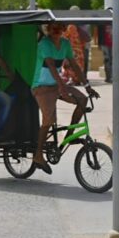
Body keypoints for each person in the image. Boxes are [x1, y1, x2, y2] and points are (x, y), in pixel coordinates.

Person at [30, 21, 87, 174]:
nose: (55, 30)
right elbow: (50, 66)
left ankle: (70, 135)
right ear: (48, 29)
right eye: (52, 28)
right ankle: (38, 155)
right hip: (41, 87)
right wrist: (62, 87)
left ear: (63, 29)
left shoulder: (65, 44)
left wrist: (87, 85)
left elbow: (74, 65)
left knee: (83, 100)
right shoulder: (44, 44)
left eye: (59, 28)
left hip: (56, 85)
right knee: (48, 120)